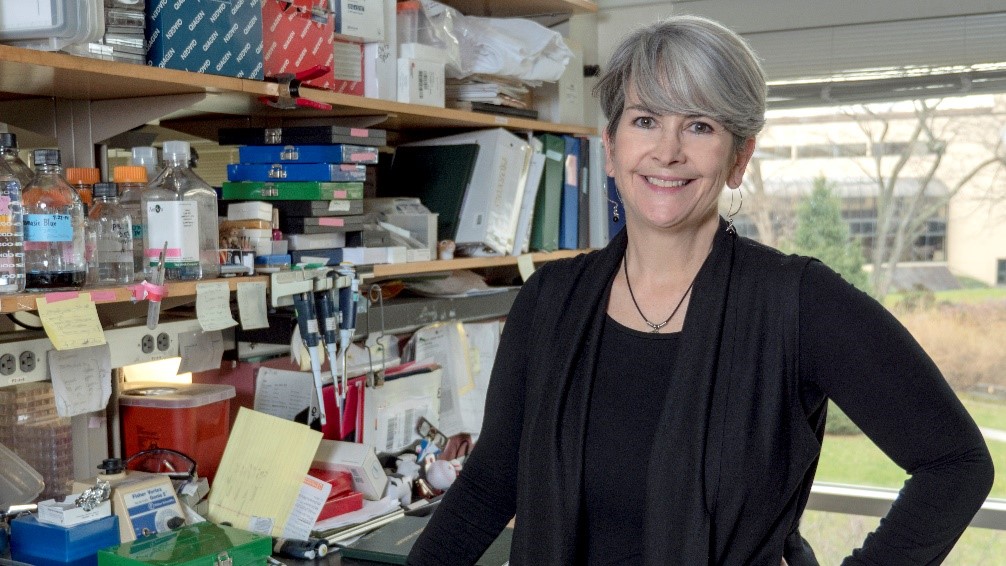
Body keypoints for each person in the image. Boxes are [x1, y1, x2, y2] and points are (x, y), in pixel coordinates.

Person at [407, 15, 994, 566]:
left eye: (699, 125)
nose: (667, 150)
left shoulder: (797, 302)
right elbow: (490, 484)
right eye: (645, 120)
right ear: (610, 149)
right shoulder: (550, 300)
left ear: (739, 158)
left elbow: (956, 465)